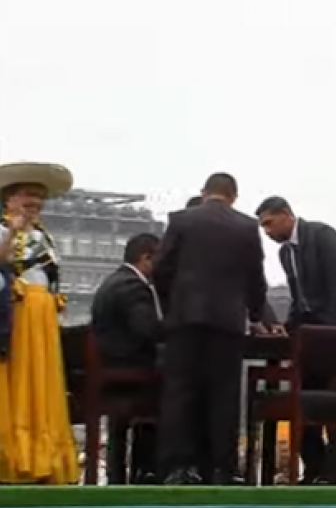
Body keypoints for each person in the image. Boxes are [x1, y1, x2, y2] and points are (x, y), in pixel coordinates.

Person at [153, 173, 270, 485]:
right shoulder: (246, 227)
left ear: (204, 193)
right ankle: (222, 468)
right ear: (234, 196)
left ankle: (177, 468)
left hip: (185, 319)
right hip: (227, 323)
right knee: (224, 395)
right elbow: (255, 277)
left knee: (180, 392)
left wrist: (171, 306)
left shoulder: (181, 220)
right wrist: (255, 314)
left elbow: (162, 269)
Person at [256, 195, 336, 483]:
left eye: (269, 223)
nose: (267, 232)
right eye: (263, 227)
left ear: (286, 215)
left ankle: (335, 471)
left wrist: (328, 331)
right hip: (312, 337)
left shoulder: (322, 236)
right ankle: (314, 467)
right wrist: (289, 327)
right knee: (302, 400)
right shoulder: (285, 254)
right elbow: (299, 298)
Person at [0, 162, 79, 485]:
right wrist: (13, 229)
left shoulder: (42, 235)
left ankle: (43, 458)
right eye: (27, 195)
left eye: (39, 197)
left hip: (43, 317)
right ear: (8, 199)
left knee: (43, 385)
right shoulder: (5, 228)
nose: (34, 203)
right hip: (17, 314)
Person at [90, 233, 164, 484]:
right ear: (146, 258)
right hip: (128, 372)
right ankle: (148, 470)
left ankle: (119, 473)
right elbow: (147, 330)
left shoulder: (113, 282)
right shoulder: (134, 287)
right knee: (175, 389)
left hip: (109, 369)